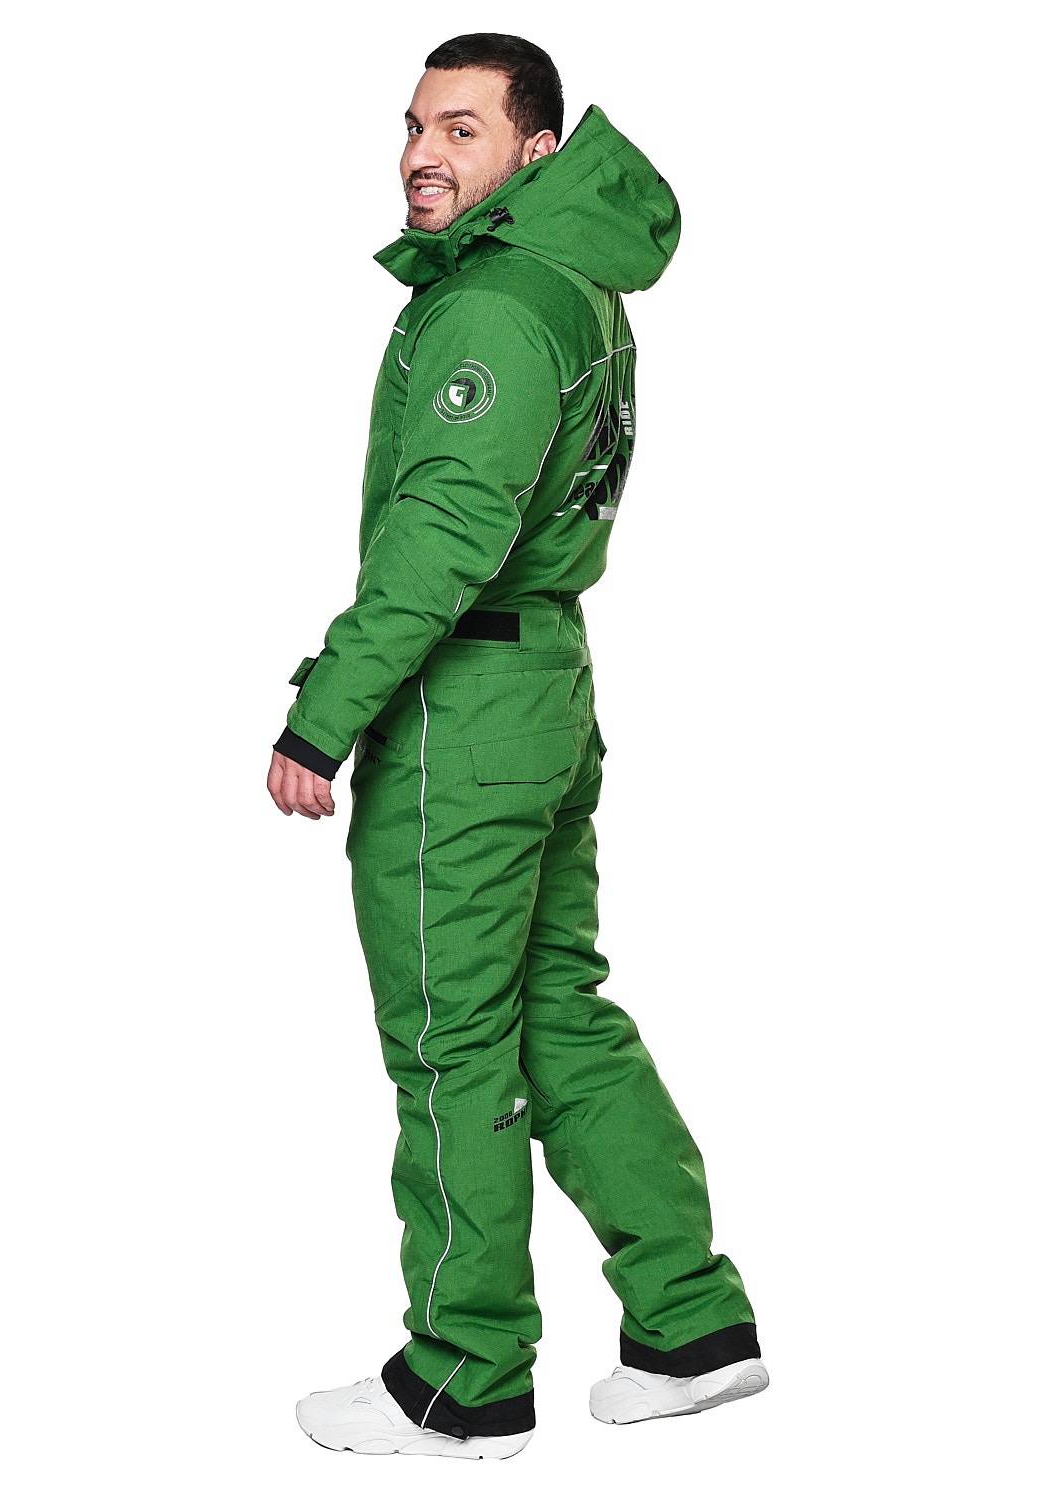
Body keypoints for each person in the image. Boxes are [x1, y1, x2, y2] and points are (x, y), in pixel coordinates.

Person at [266, 32, 768, 1460]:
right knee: (557, 1010)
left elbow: (444, 536)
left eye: (463, 130)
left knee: (449, 1043)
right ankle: (689, 1323)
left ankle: (465, 1375)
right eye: (416, 125)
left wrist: (324, 712)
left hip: (464, 708)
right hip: (544, 687)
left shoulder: (492, 306)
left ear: (534, 150)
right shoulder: (575, 283)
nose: (423, 154)